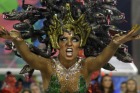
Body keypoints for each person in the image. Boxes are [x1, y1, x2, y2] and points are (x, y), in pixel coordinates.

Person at [0, 3, 140, 93]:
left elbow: (102, 59)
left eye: (74, 39)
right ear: (56, 42)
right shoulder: (47, 65)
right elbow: (28, 57)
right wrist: (17, 40)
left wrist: (115, 43)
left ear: (81, 42)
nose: (69, 43)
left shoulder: (86, 65)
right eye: (63, 39)